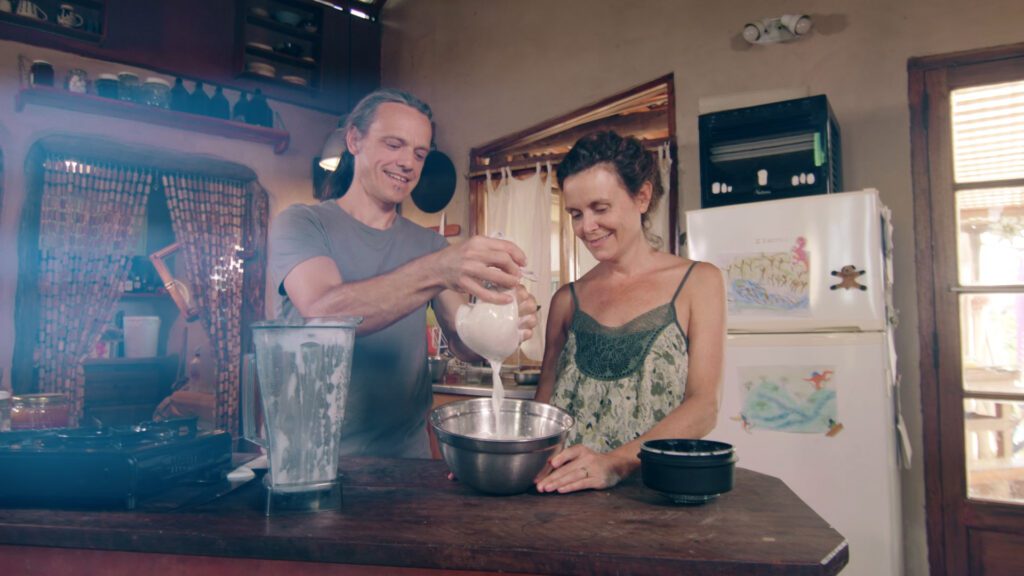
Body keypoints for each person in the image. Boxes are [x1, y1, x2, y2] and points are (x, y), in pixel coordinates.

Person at [268, 88, 538, 459]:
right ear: (353, 140)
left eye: (419, 153)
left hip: (405, 463)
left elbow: (464, 343)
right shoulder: (302, 223)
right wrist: (439, 269)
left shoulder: (428, 246)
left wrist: (502, 318)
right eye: (393, 144)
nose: (407, 163)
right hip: (311, 458)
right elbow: (324, 310)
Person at [533, 131, 725, 493]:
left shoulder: (698, 283)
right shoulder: (566, 301)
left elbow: (704, 407)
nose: (586, 227)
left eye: (600, 208)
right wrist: (503, 464)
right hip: (562, 495)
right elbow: (543, 415)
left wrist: (615, 463)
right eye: (576, 214)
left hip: (653, 496)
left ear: (642, 196)